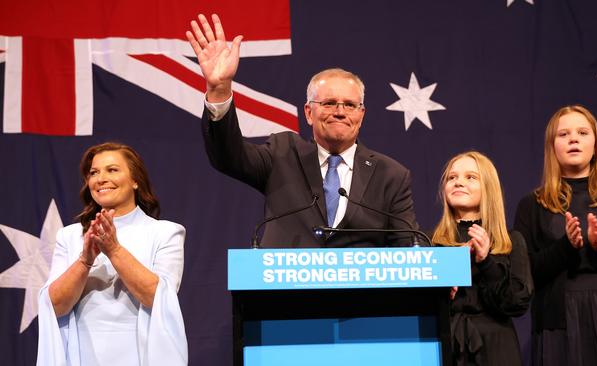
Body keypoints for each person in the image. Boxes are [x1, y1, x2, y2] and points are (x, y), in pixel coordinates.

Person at [185, 14, 418, 248]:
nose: (340, 111)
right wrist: (220, 89)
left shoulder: (391, 175)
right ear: (308, 112)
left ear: (362, 114)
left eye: (350, 105)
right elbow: (227, 155)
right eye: (328, 103)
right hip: (287, 284)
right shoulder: (282, 154)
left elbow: (410, 249)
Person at [514, 105, 597, 365]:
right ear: (551, 147)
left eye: (582, 132)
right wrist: (566, 247)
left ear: (596, 144)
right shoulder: (532, 205)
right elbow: (523, 273)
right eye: (563, 134)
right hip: (559, 327)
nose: (573, 139)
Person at [37, 142, 187, 366]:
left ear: (136, 180)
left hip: (143, 357)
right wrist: (84, 261)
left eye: (112, 170)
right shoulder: (69, 237)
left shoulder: (165, 233)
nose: (100, 178)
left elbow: (158, 299)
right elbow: (55, 307)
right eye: (94, 173)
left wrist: (114, 250)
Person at [432, 151, 532, 366]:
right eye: (452, 177)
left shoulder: (511, 241)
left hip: (497, 348)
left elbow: (516, 304)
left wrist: (486, 261)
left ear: (488, 187)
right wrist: (442, 292)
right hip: (449, 344)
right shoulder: (432, 243)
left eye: (470, 177)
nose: (458, 182)